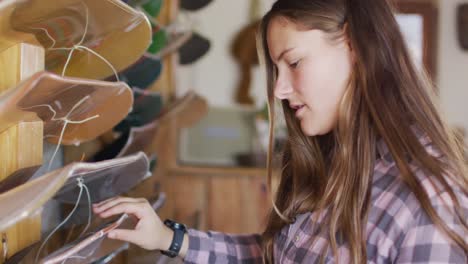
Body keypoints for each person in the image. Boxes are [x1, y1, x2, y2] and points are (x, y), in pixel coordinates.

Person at [93, 0, 468, 263]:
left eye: (294, 62)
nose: (278, 90)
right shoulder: (329, 162)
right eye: (277, 69)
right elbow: (276, 255)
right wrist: (168, 238)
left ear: (354, 47)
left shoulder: (429, 201)